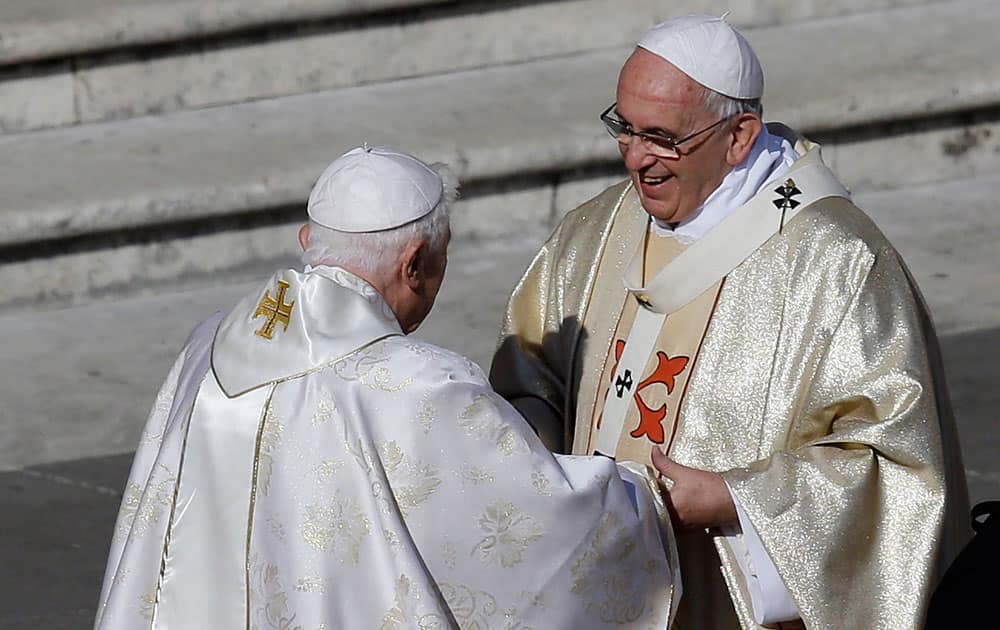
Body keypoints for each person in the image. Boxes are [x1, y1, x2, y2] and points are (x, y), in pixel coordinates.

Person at [490, 14, 970, 629]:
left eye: (664, 138)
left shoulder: (837, 261)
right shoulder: (592, 235)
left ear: (740, 135)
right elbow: (529, 383)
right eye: (625, 129)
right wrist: (540, 462)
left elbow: (897, 468)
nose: (637, 160)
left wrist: (737, 498)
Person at [95, 146, 680, 629]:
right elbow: (539, 532)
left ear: (308, 240)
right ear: (415, 262)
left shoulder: (206, 345)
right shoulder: (417, 386)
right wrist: (644, 497)